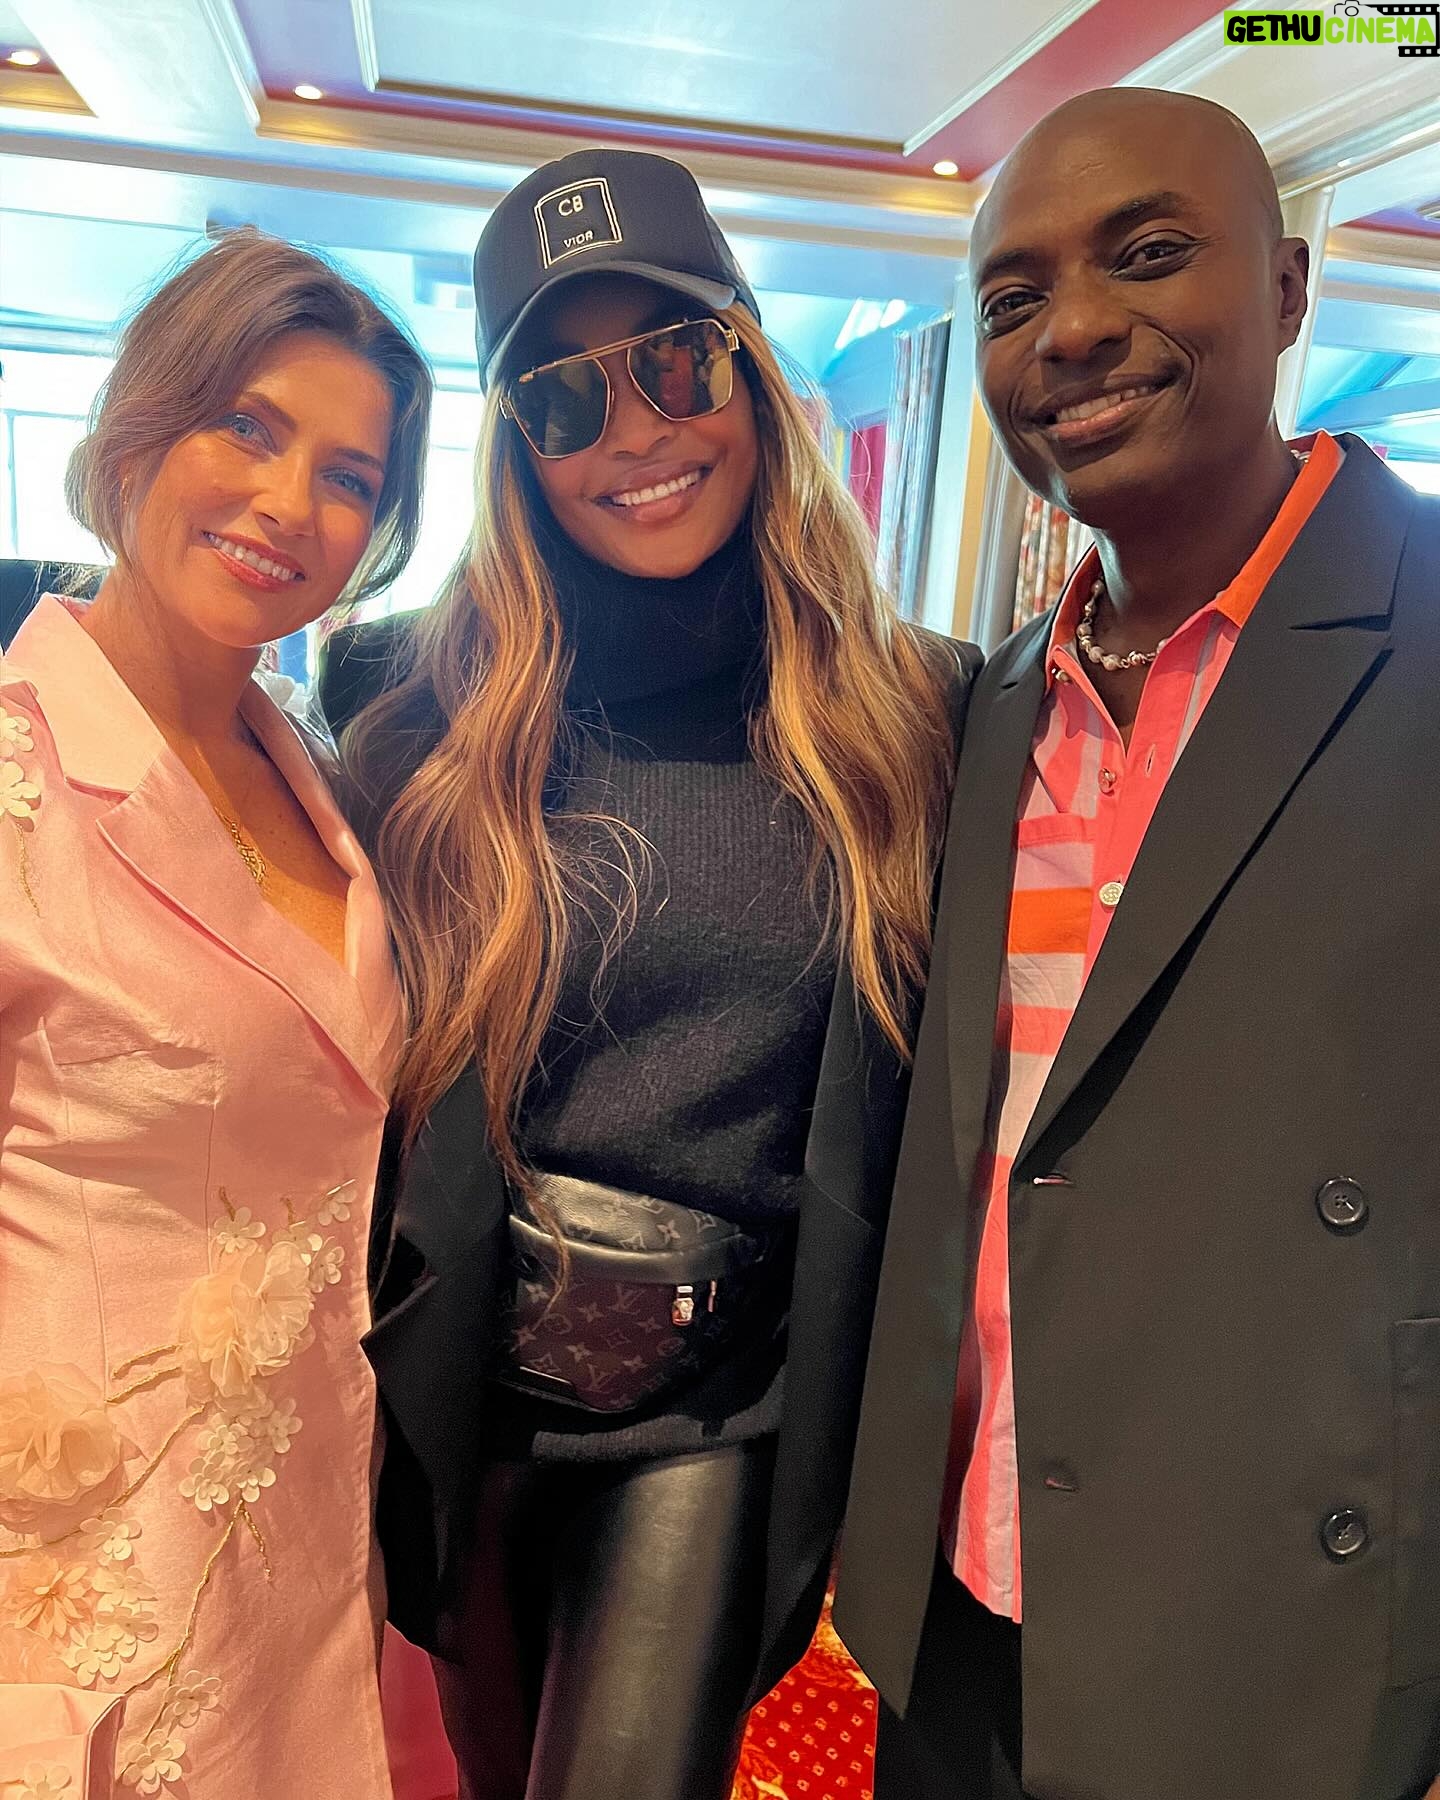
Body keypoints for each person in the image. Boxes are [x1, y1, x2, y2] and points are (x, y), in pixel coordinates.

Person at [321, 147, 980, 1800]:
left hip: (713, 1410)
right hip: (461, 1386)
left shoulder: (914, 715)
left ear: (747, 368)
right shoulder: (409, 703)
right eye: (562, 398)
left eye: (675, 362)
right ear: (515, 449)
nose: (633, 432)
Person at [833, 84, 1440, 1800]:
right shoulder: (990, 700)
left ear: (1292, 289)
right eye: (1012, 298)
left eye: (1151, 255)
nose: (1074, 331)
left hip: (1278, 1637)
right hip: (963, 1596)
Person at [0, 226, 431, 1798]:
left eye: (348, 476)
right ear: (139, 424)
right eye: (246, 427)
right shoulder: (15, 783)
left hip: (309, 1549)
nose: (287, 503)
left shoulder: (313, 768)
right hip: (82, 1603)